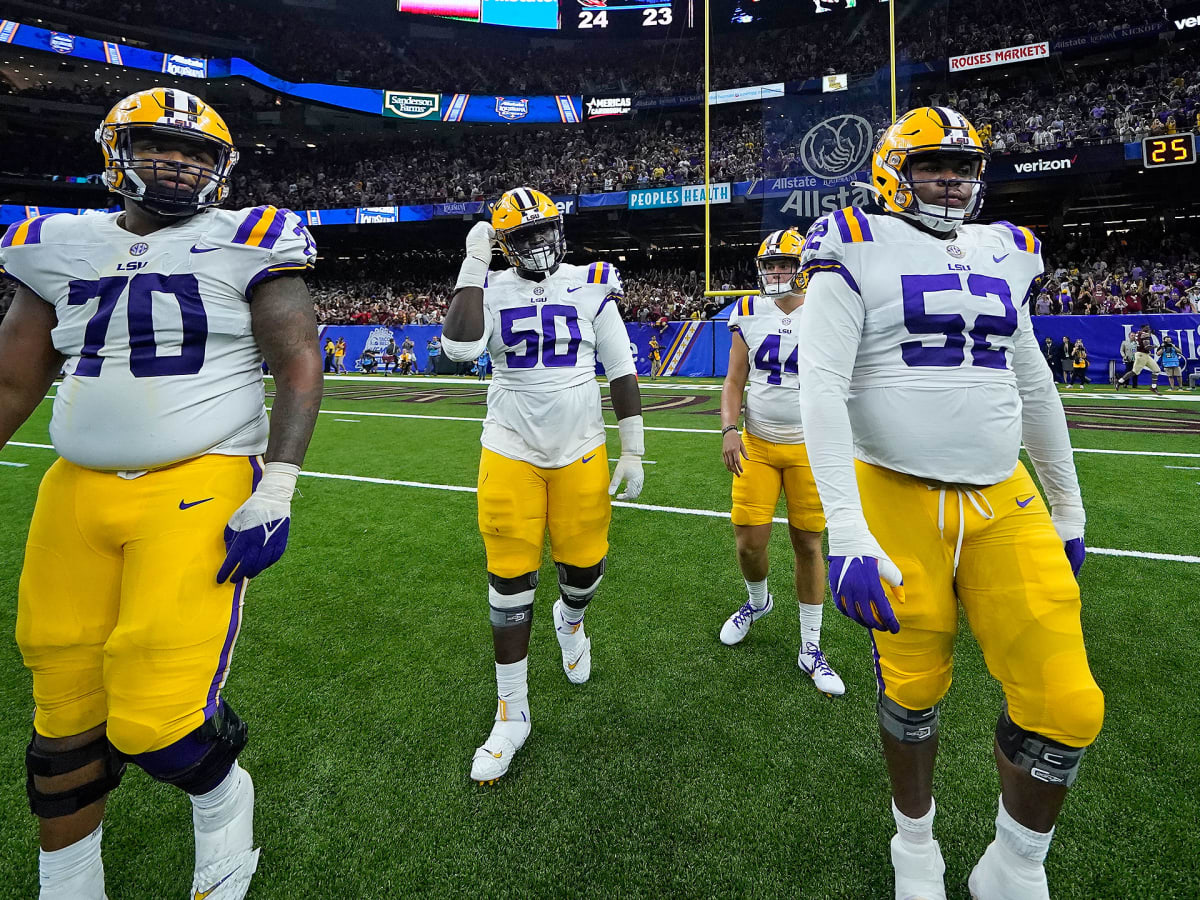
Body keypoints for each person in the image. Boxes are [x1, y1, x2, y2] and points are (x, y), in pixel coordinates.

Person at [0, 88, 322, 900]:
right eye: (158, 144)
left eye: (200, 152)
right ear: (113, 151)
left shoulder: (248, 237)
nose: (180, 160)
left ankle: (222, 799)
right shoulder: (53, 244)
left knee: (154, 717)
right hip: (73, 492)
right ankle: (67, 883)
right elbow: (11, 382)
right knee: (60, 701)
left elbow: (296, 362)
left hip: (199, 479)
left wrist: (276, 484)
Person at [797, 107, 1102, 900]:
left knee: (1068, 701)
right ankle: (915, 844)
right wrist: (849, 532)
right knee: (913, 688)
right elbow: (821, 388)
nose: (952, 180)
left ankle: (1014, 863)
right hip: (894, 491)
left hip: (1004, 495)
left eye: (964, 168)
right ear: (894, 170)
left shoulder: (1007, 250)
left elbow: (1033, 383)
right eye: (935, 165)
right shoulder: (851, 242)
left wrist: (1067, 506)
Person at [441, 187, 644, 785]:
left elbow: (622, 367)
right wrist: (472, 268)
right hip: (510, 448)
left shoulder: (592, 281)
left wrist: (633, 446)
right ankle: (513, 712)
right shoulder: (490, 287)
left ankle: (571, 620)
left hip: (581, 447)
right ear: (505, 245)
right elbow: (458, 348)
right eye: (524, 235)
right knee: (508, 582)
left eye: (546, 229)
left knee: (584, 571)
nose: (540, 243)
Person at [717, 229, 843, 697]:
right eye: (769, 265)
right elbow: (734, 380)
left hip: (811, 447)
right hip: (759, 443)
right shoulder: (748, 311)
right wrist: (729, 429)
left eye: (784, 264)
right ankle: (758, 601)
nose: (775, 272)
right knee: (750, 541)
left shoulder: (827, 309)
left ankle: (811, 645)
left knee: (809, 544)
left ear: (803, 268)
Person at [1116, 324, 1162, 394]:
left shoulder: (1138, 333)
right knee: (1134, 372)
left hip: (1144, 354)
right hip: (1141, 355)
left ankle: (1153, 387)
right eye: (1147, 328)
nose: (1149, 329)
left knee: (1156, 370)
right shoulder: (1144, 334)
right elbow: (1147, 347)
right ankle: (1119, 382)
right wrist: (1155, 346)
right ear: (1143, 328)